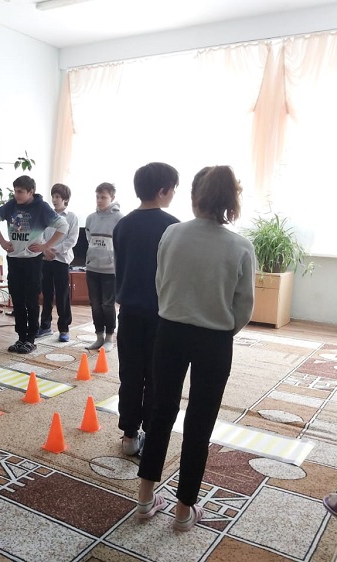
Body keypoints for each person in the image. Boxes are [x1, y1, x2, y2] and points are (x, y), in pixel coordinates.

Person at [136, 166, 255, 532]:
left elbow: (161, 283)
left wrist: (175, 313)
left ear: (194, 197)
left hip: (169, 332)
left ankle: (144, 500)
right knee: (200, 421)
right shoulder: (240, 246)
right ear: (232, 201)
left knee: (160, 411)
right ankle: (184, 510)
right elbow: (244, 306)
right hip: (214, 340)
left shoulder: (172, 233)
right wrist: (223, 329)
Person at [113, 163, 180, 457]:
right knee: (156, 376)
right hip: (162, 315)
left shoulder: (123, 224)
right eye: (173, 189)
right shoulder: (173, 227)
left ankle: (129, 435)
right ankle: (152, 435)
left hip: (128, 311)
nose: (173, 194)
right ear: (162, 190)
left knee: (130, 373)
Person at [0, 175, 69, 354]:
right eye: (15, 191)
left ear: (31, 192)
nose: (16, 195)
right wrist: (2, 241)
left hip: (32, 261)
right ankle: (21, 337)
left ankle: (31, 338)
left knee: (31, 300)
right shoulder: (11, 205)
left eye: (20, 192)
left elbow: (63, 226)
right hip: (14, 259)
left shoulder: (41, 207)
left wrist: (45, 246)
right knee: (17, 299)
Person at [38, 183, 79, 342]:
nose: (54, 200)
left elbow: (72, 240)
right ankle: (45, 326)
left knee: (62, 295)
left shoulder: (72, 217)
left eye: (57, 197)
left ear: (65, 199)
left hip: (62, 260)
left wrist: (53, 250)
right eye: (53, 197)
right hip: (45, 259)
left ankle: (64, 329)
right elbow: (40, 235)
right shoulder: (47, 216)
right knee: (46, 294)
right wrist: (45, 250)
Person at [84, 182, 123, 351]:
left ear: (112, 198)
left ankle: (109, 338)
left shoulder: (119, 218)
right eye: (97, 197)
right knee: (95, 303)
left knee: (108, 304)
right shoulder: (91, 218)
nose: (99, 200)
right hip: (92, 268)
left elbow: (121, 243)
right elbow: (89, 239)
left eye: (103, 197)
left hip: (110, 270)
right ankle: (99, 336)